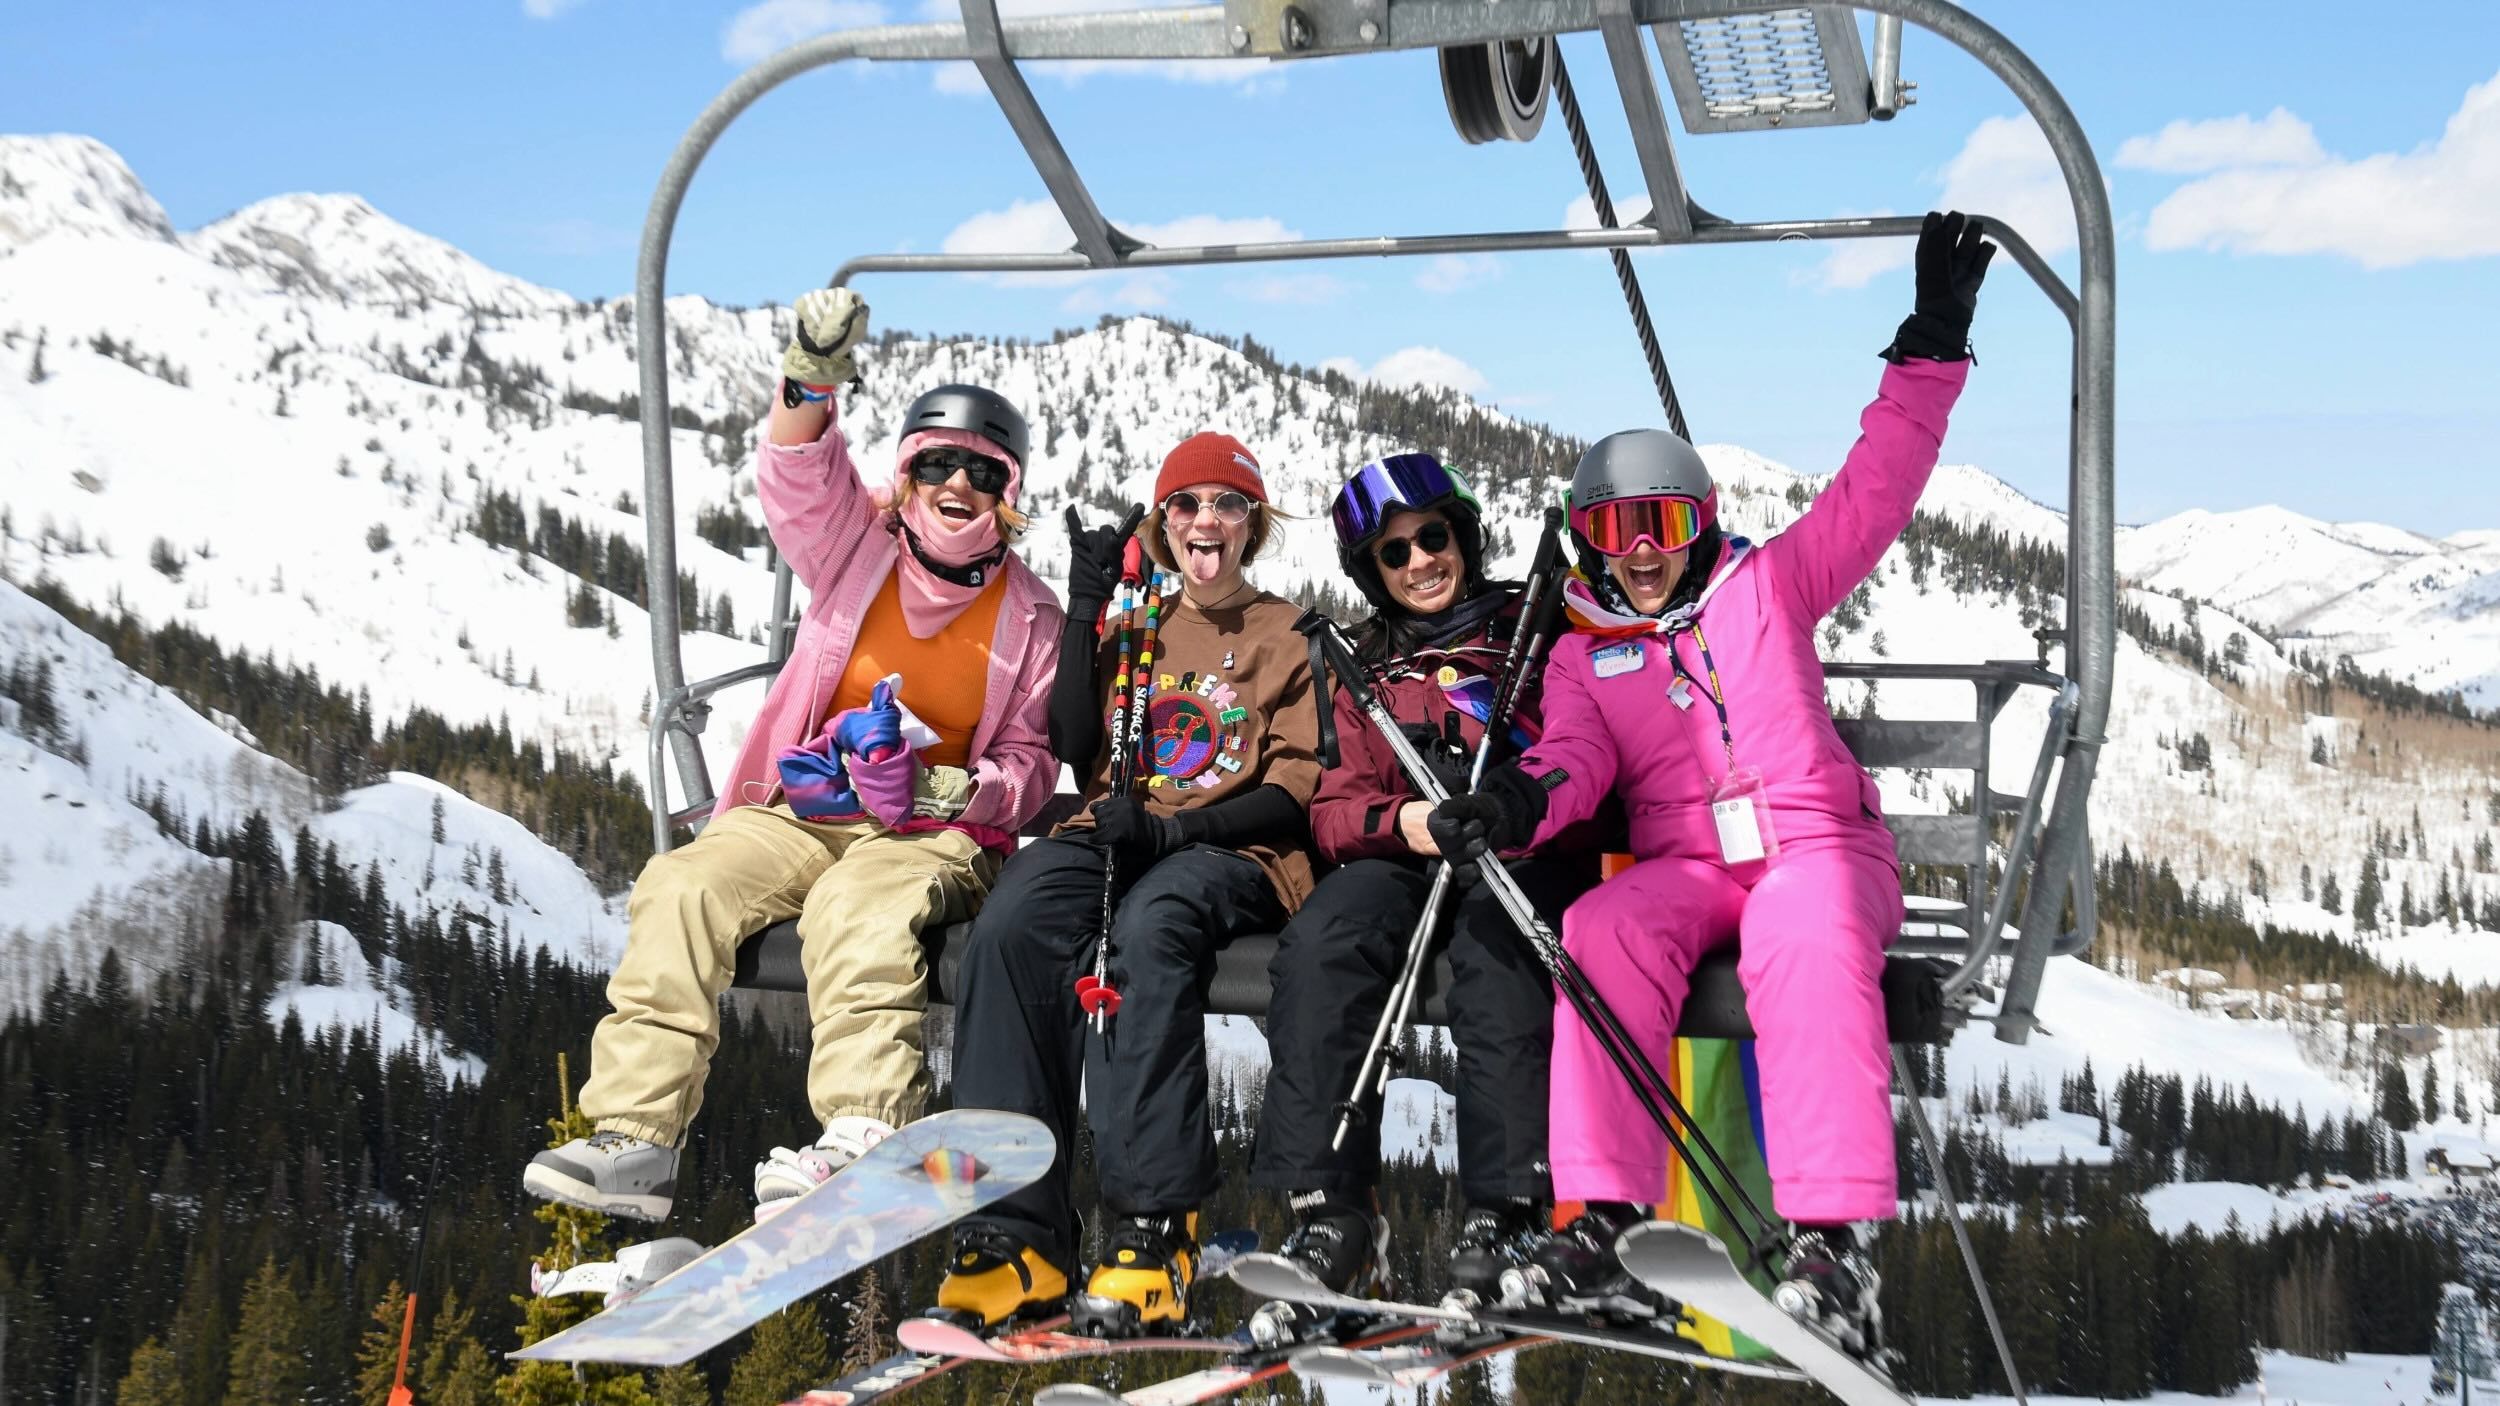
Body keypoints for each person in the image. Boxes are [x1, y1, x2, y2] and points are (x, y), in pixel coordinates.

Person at [1428, 210, 1997, 1360]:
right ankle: (1609, 1217)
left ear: (1702, 523)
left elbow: (1874, 491)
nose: (1644, 550)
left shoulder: (1769, 587)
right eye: (1617, 528)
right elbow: (1572, 759)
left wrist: (1929, 347)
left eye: (1667, 522)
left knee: (1801, 924)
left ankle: (1831, 1239)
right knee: (1596, 925)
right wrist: (1517, 802)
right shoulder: (1589, 652)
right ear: (1588, 540)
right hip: (1690, 871)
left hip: (1815, 850)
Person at [523, 288, 1065, 1224]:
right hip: (807, 806)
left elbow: (1028, 764)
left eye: (980, 473)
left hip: (928, 834)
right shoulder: (859, 550)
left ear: (1007, 493)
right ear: (905, 474)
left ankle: (862, 1130)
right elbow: (797, 472)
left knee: (860, 908)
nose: (955, 486)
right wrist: (811, 376)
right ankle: (635, 1137)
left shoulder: (1033, 618)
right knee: (684, 886)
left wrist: (944, 786)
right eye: (935, 462)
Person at [931, 432, 1322, 1336]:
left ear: (1252, 523)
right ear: (1163, 521)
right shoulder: (1137, 627)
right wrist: (1082, 606)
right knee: (1011, 926)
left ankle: (1154, 1224)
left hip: (1231, 848)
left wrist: (1181, 827)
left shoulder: (1284, 632)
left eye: (1226, 505)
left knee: (1145, 935)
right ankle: (1015, 1232)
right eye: (1186, 505)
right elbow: (1074, 743)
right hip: (1118, 829)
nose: (1206, 522)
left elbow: (1294, 787)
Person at [1249, 453, 1603, 1316]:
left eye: (1433, 539)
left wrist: (1513, 809)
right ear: (1371, 573)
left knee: (1497, 948)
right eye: (1393, 555)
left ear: (1464, 536)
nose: (1420, 564)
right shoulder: (1365, 668)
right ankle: (1328, 1212)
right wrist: (1409, 824)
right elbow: (1336, 810)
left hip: (1519, 852)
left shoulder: (1534, 625)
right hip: (1409, 855)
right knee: (1326, 940)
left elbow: (1591, 736)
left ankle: (1507, 1207)